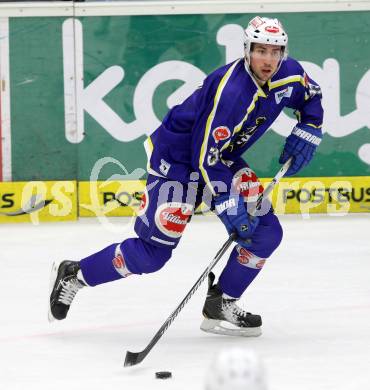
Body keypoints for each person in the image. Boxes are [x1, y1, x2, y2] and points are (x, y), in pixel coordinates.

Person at [49, 16, 323, 336]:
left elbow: (311, 96)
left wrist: (310, 127)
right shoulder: (231, 93)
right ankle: (75, 274)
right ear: (247, 51)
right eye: (261, 51)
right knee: (153, 254)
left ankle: (221, 303)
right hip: (178, 161)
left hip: (220, 157)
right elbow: (202, 157)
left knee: (264, 233)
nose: (269, 59)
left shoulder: (290, 74)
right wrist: (227, 203)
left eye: (276, 52)